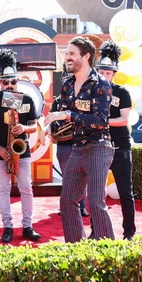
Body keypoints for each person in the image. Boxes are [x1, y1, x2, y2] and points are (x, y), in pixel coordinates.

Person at [45, 36, 115, 242]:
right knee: (67, 201)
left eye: (72, 54)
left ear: (86, 56)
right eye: (67, 53)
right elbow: (63, 116)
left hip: (99, 147)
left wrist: (67, 115)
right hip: (77, 147)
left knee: (95, 201)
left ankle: (107, 251)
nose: (67, 57)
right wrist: (50, 128)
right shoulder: (67, 85)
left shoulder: (101, 84)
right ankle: (76, 249)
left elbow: (100, 121)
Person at [0, 49, 42, 243]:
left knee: (26, 188)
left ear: (18, 80)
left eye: (12, 81)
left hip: (20, 150)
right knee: (4, 190)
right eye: (5, 81)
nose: (9, 85)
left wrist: (23, 127)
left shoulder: (27, 99)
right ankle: (7, 226)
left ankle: (27, 225)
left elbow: (34, 127)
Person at [95, 40, 136, 240]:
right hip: (97, 147)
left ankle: (129, 232)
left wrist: (103, 122)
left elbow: (124, 120)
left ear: (114, 74)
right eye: (101, 72)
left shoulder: (122, 92)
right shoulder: (91, 91)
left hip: (120, 147)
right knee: (96, 193)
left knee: (126, 192)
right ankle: (97, 231)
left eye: (108, 72)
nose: (104, 75)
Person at [49, 64, 89, 218]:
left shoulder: (84, 99)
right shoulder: (57, 102)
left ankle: (81, 207)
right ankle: (67, 206)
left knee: (81, 177)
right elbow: (52, 122)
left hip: (80, 143)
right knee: (67, 178)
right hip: (64, 144)